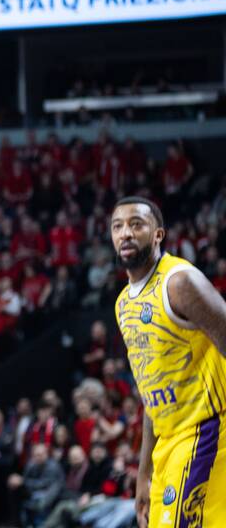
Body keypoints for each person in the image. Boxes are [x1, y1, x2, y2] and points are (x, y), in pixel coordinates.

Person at [109, 196, 226, 527]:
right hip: (168, 445)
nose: (126, 233)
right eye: (118, 227)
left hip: (208, 432)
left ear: (158, 235)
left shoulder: (179, 282)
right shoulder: (123, 305)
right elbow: (150, 393)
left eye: (136, 224)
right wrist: (144, 473)